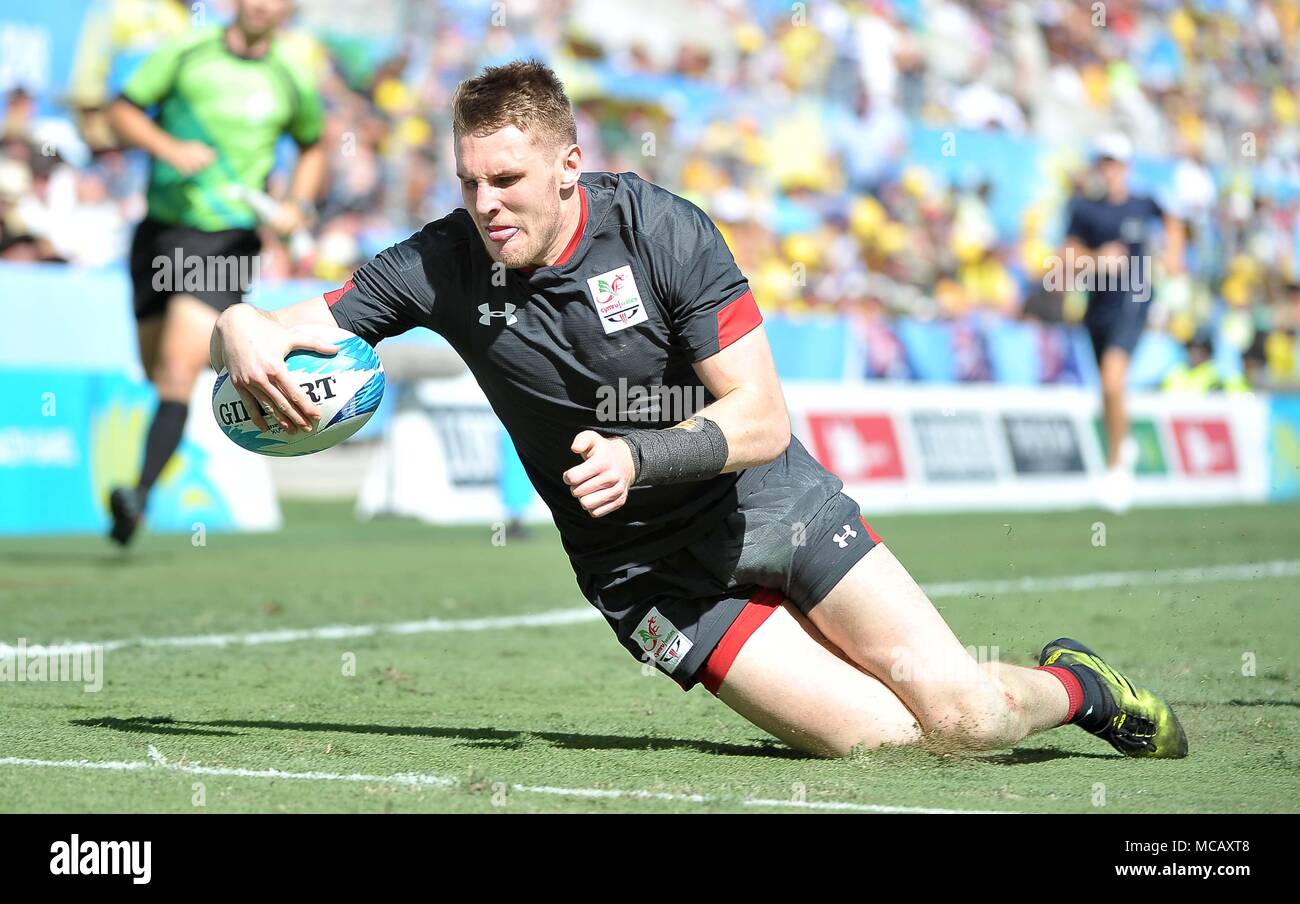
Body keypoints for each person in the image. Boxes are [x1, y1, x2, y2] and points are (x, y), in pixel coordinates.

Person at [211, 61, 1187, 759]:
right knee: (888, 740)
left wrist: (638, 458)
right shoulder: (440, 260)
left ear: (566, 165)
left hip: (765, 498)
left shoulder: (662, 231)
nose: (486, 204)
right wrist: (239, 328)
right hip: (645, 574)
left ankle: (1078, 686)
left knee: (963, 717)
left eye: (506, 180)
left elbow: (759, 417)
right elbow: (290, 322)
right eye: (468, 183)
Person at [105, 0, 325, 545]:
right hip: (160, 232)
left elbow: (315, 145)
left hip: (227, 240)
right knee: (157, 369)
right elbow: (122, 111)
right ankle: (144, 488)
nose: (261, 6)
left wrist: (298, 201)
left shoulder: (291, 75)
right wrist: (167, 147)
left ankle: (138, 495)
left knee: (178, 368)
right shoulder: (186, 50)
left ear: (287, 11)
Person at [1063, 134, 1185, 512]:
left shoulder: (1143, 203)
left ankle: (1117, 470)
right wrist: (1097, 258)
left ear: (1127, 167)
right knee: (1107, 389)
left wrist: (1173, 256)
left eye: (1116, 163)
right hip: (1098, 307)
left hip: (1134, 302)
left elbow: (1174, 222)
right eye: (1104, 162)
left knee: (1113, 380)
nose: (1110, 170)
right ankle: (1121, 445)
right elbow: (1066, 255)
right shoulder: (1084, 208)